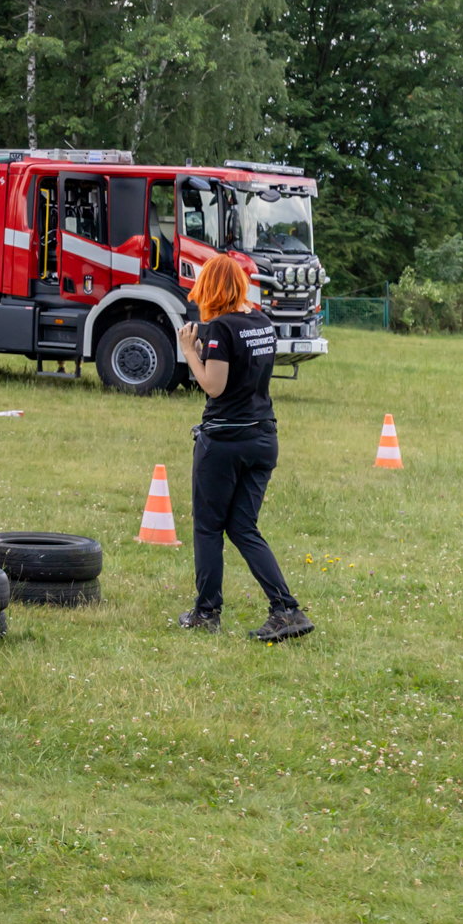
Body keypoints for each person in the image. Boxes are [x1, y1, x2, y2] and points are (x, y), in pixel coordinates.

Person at [176, 255, 313, 642]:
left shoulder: (220, 327)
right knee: (242, 526)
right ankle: (286, 609)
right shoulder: (261, 322)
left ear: (211, 288)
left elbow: (214, 385)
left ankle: (206, 613)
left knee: (208, 528)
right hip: (263, 438)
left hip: (224, 442)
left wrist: (190, 350)